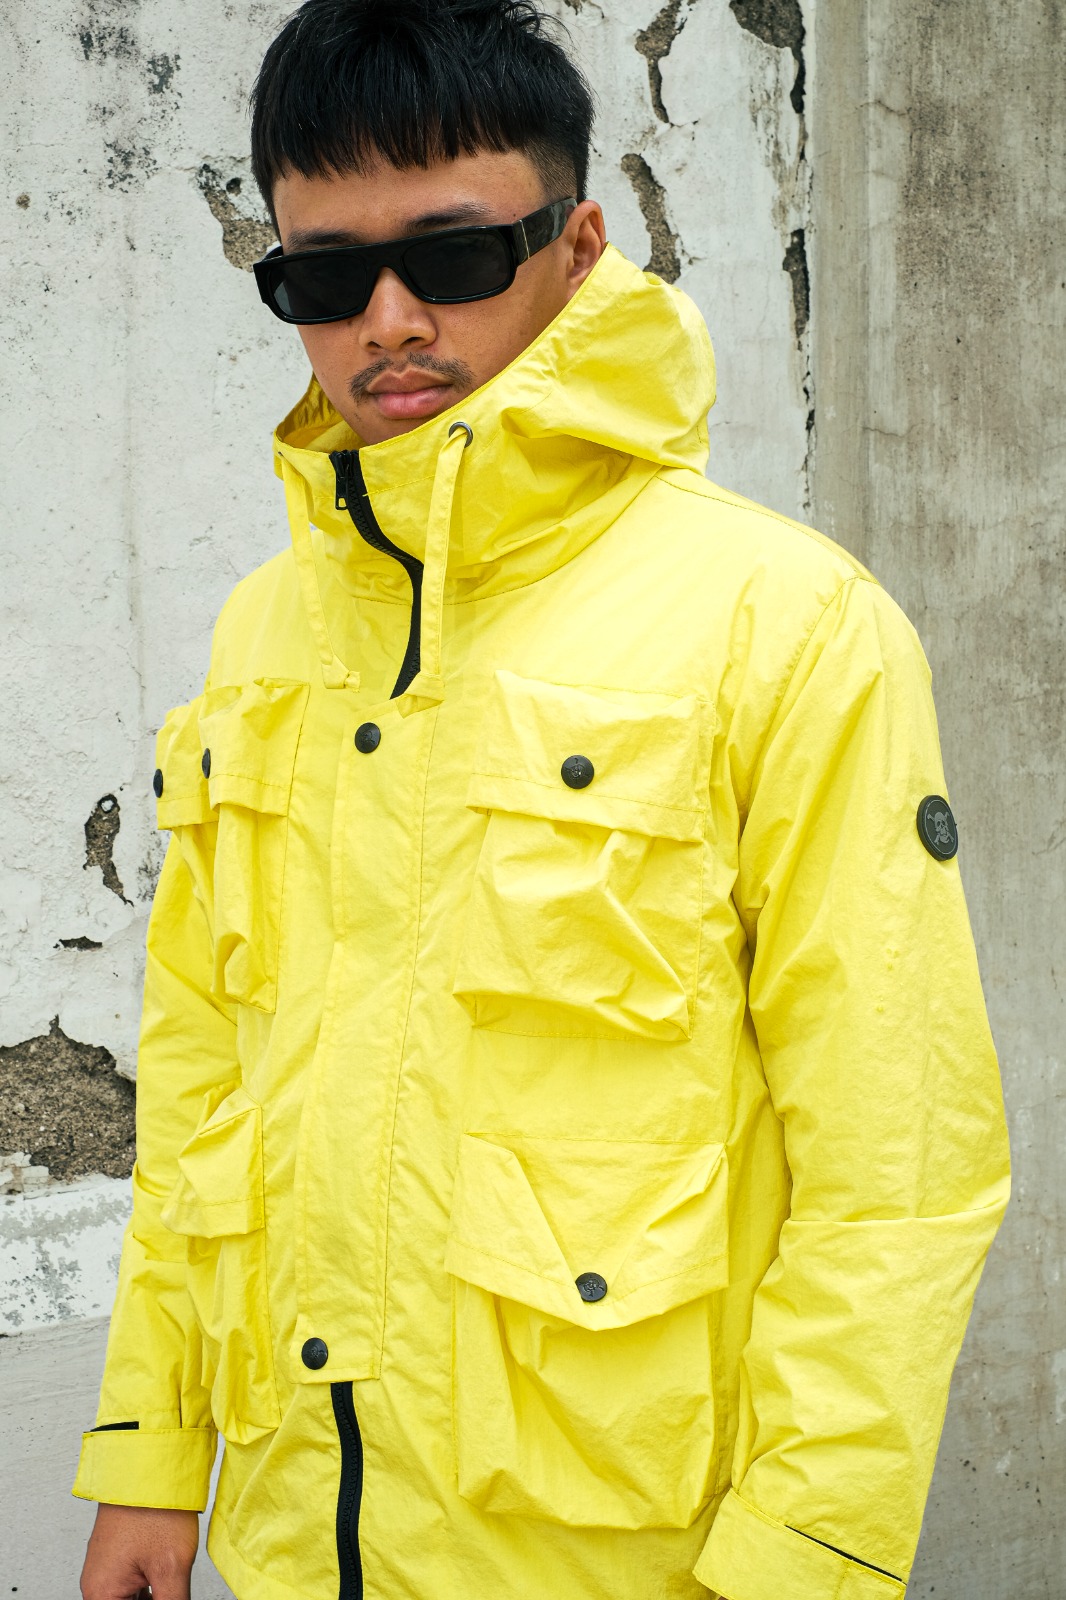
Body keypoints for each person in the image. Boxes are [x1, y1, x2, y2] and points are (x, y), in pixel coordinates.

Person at [76, 2, 1010, 1597]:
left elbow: (897, 1166)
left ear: (576, 248)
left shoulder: (781, 622)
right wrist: (153, 1455)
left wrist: (797, 1562)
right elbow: (206, 1084)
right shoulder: (263, 635)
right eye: (322, 278)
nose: (386, 321)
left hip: (635, 1556)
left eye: (449, 257)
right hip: (301, 1541)